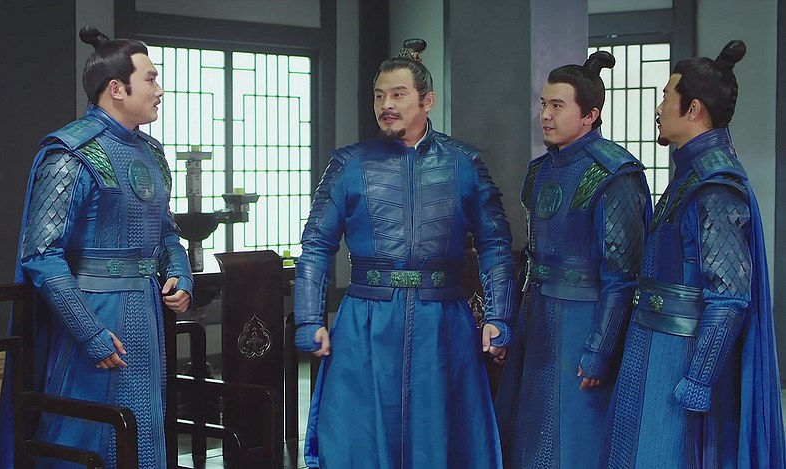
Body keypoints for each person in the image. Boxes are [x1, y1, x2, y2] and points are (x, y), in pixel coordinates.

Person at [293, 38, 516, 469]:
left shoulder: (464, 163)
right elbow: (316, 246)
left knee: (443, 439)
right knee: (357, 438)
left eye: (398, 95)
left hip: (443, 321)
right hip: (366, 320)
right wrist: (308, 318)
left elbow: (495, 245)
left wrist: (500, 316)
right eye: (379, 96)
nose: (386, 105)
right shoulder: (349, 164)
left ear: (427, 100)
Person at [0, 26, 192, 468]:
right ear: (117, 89)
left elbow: (165, 232)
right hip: (93, 312)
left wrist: (181, 273)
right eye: (151, 79)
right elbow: (41, 255)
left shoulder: (152, 153)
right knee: (86, 429)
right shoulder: (73, 152)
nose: (160, 90)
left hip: (146, 312)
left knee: (144, 427)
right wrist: (89, 333)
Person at [602, 39, 786, 469]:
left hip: (679, 356)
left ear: (693, 109)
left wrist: (698, 379)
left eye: (667, 96)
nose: (659, 107)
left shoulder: (715, 185)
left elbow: (730, 297)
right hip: (653, 346)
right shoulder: (690, 174)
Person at [494, 51, 651, 468]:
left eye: (557, 105)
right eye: (544, 103)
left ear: (590, 115)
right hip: (536, 315)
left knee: (577, 436)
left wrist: (601, 348)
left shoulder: (615, 173)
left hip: (584, 320)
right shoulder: (539, 170)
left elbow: (622, 276)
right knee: (526, 431)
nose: (545, 115)